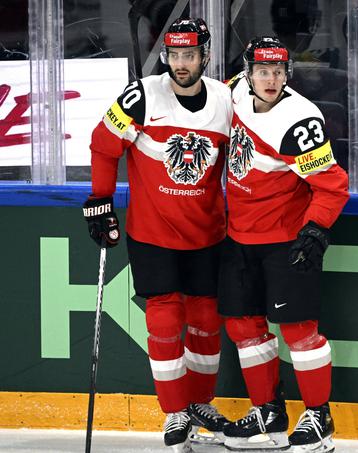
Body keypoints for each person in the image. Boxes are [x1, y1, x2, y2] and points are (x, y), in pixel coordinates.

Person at [82, 17, 233, 453]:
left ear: (204, 55)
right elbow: (102, 143)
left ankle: (200, 404)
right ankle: (175, 412)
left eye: (190, 55)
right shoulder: (142, 95)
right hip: (153, 231)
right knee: (165, 320)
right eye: (175, 55)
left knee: (206, 323)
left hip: (207, 232)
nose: (181, 64)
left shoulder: (225, 99)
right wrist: (99, 201)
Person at [217, 36, 349, 453]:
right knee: (243, 327)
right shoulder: (234, 88)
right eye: (262, 71)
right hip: (238, 235)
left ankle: (318, 417)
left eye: (277, 72)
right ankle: (268, 412)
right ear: (249, 73)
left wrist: (315, 230)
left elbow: (332, 186)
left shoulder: (299, 121)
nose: (270, 79)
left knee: (299, 332)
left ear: (286, 74)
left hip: (284, 239)